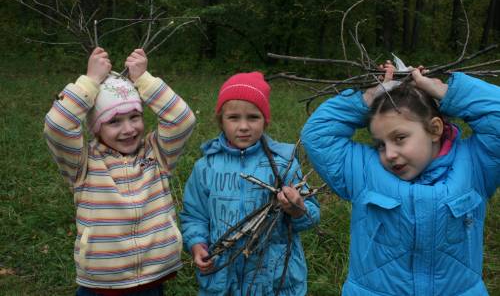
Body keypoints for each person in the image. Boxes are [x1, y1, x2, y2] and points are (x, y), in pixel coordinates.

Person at [301, 62, 499, 295]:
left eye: (400, 137)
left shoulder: (475, 165)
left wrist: (447, 93)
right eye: (380, 144)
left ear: (435, 129)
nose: (390, 153)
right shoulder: (364, 171)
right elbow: (317, 135)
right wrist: (368, 98)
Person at [44, 47, 196, 295]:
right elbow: (57, 125)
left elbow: (182, 119)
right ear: (95, 128)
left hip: (152, 280)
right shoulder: (84, 163)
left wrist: (144, 80)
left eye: (134, 117)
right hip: (100, 284)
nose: (128, 129)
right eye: (114, 121)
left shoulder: (156, 153)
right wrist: (90, 81)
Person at [180, 72, 320, 296]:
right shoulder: (205, 167)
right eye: (234, 118)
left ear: (266, 120)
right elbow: (194, 216)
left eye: (253, 117)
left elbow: (312, 214)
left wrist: (297, 209)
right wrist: (197, 245)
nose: (243, 126)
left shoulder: (284, 164)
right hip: (223, 277)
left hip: (273, 280)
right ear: (220, 120)